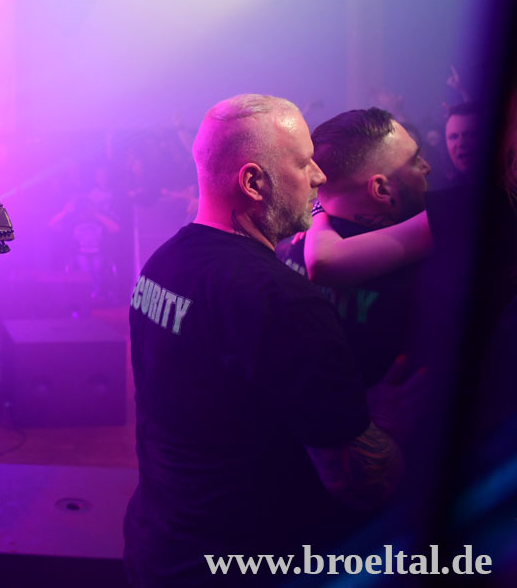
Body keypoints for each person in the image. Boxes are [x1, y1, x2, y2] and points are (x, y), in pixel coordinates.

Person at [123, 94, 410, 586]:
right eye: (304, 162)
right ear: (254, 182)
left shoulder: (163, 263)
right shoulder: (282, 301)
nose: (319, 176)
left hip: (161, 548)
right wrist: (393, 420)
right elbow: (363, 484)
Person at [275, 108, 431, 385]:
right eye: (415, 161)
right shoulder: (431, 264)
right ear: (382, 190)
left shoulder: (292, 246)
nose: (427, 167)